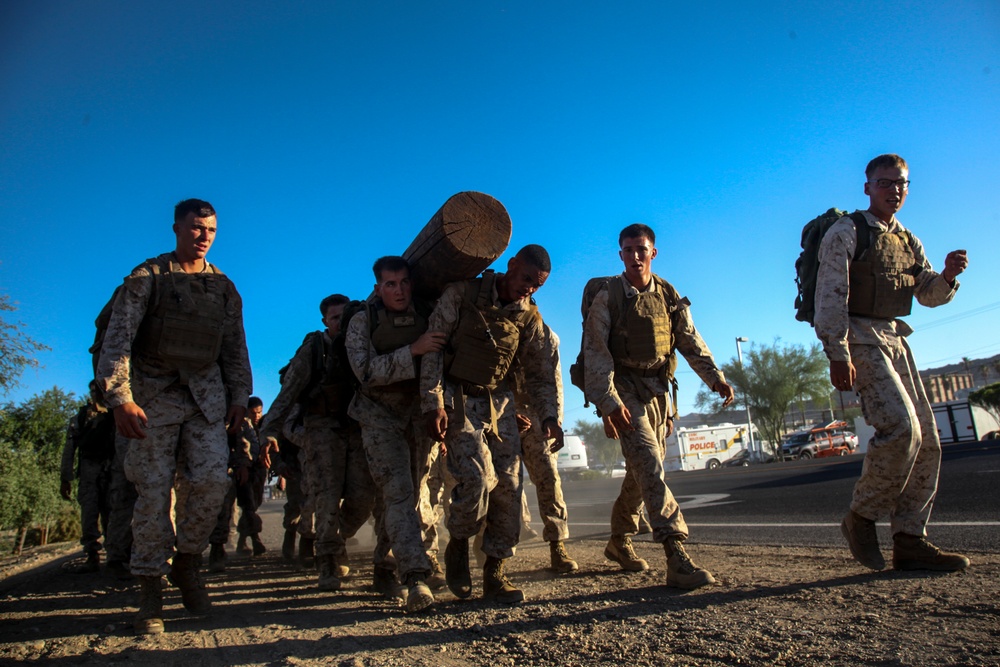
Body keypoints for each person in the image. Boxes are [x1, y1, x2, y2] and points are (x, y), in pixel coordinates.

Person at [95, 198, 252, 634]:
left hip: (205, 401)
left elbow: (235, 347)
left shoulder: (224, 287)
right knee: (153, 495)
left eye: (211, 230)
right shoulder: (147, 278)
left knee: (208, 484)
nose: (204, 236)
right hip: (151, 400)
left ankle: (187, 563)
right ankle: (150, 590)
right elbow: (118, 340)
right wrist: (120, 398)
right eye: (197, 228)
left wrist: (240, 395)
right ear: (177, 228)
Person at [814, 154, 970, 572]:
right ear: (867, 188)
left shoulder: (907, 240)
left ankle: (910, 538)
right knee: (901, 427)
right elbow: (829, 296)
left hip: (894, 340)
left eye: (901, 183)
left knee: (929, 442)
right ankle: (861, 518)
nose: (894, 190)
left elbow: (928, 294)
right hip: (858, 339)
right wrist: (837, 352)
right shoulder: (847, 232)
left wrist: (949, 277)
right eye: (885, 183)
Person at [583, 223, 733, 590]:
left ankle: (619, 540)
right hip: (623, 391)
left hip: (660, 392)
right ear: (620, 255)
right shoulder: (609, 296)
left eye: (642, 249)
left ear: (653, 252)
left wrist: (714, 377)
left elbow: (688, 339)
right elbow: (595, 354)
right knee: (649, 463)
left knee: (641, 472)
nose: (636, 256)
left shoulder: (667, 293)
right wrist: (607, 402)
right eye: (629, 250)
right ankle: (675, 553)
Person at [421, 244, 563, 605]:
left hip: (498, 403)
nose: (529, 288)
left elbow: (541, 374)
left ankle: (496, 571)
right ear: (511, 265)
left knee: (510, 487)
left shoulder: (529, 319)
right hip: (457, 397)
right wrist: (433, 401)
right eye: (526, 278)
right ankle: (458, 543)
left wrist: (550, 417)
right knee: (476, 477)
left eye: (537, 285)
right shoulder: (462, 295)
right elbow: (434, 349)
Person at [345, 256, 446, 612]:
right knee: (399, 491)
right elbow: (366, 373)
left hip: (416, 415)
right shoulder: (362, 321)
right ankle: (415, 576)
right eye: (391, 284)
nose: (399, 290)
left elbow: (437, 358)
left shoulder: (426, 312)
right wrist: (412, 351)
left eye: (404, 282)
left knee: (413, 491)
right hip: (378, 415)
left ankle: (385, 563)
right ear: (378, 287)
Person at [258, 295, 375, 593]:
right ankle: (327, 561)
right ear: (325, 321)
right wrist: (270, 431)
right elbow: (288, 393)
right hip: (321, 429)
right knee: (326, 497)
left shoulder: (361, 344)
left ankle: (337, 541)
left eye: (344, 317)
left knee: (364, 498)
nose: (341, 323)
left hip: (355, 428)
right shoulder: (314, 350)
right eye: (335, 318)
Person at [511, 323, 579, 573]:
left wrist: (555, 420)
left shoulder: (547, 336)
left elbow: (554, 381)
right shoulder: (494, 327)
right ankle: (496, 550)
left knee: (549, 479)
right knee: (499, 483)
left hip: (536, 417)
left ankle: (557, 544)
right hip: (499, 416)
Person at [208, 396, 268, 573]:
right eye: (253, 412)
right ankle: (217, 549)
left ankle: (249, 540)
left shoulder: (249, 424)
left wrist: (245, 464)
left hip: (248, 469)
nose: (256, 415)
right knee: (224, 510)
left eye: (259, 412)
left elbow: (249, 443)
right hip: (224, 467)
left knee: (250, 506)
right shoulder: (222, 415)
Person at [59, 396, 115, 573]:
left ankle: (115, 556)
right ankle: (92, 555)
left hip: (110, 472)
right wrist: (66, 478)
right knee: (89, 514)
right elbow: (70, 448)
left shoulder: (114, 415)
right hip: (88, 474)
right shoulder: (80, 418)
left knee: (112, 514)